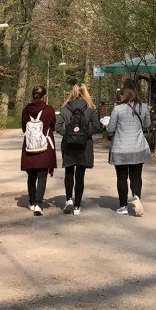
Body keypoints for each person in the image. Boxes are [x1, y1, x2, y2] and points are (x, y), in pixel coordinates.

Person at [106, 80, 151, 216]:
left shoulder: (117, 109)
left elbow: (110, 129)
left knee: (122, 177)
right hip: (138, 147)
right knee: (136, 177)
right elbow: (147, 124)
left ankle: (123, 206)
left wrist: (106, 125)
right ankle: (136, 197)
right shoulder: (143, 107)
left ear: (124, 93)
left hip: (120, 149)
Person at [55, 83, 101, 215]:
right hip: (84, 145)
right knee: (80, 176)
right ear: (85, 92)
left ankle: (69, 199)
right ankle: (77, 206)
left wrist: (68, 134)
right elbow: (96, 127)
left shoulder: (65, 108)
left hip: (68, 144)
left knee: (69, 172)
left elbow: (57, 126)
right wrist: (84, 134)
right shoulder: (90, 108)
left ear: (72, 92)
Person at [20, 85, 57, 216]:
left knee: (31, 176)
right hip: (44, 147)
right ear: (44, 96)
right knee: (42, 176)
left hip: (29, 147)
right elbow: (53, 126)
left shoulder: (25, 110)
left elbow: (24, 129)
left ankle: (31, 201)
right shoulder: (49, 109)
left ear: (32, 95)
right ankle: (38, 204)